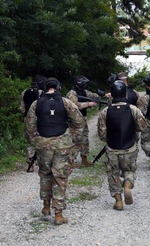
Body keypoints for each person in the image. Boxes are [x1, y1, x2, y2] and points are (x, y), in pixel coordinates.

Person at [24, 77, 85, 225]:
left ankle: (46, 206)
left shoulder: (36, 104)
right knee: (60, 177)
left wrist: (36, 142)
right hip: (62, 144)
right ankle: (58, 214)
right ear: (58, 87)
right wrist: (74, 138)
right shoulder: (65, 102)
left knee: (45, 173)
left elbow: (29, 126)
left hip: (43, 144)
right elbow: (79, 121)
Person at [97, 80, 148, 210]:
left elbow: (102, 133)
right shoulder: (133, 109)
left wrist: (108, 139)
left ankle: (118, 201)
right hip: (129, 147)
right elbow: (143, 127)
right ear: (125, 93)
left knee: (113, 174)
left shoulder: (105, 111)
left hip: (112, 148)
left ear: (112, 94)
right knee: (129, 170)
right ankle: (127, 185)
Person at [67, 75, 99, 167]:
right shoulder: (72, 93)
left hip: (83, 118)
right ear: (79, 83)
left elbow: (92, 95)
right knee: (76, 140)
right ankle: (71, 161)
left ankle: (84, 160)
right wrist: (88, 104)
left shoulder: (84, 92)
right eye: (84, 83)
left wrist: (102, 95)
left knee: (85, 139)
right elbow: (73, 105)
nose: (85, 85)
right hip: (75, 120)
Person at [19, 74, 45, 169]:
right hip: (39, 119)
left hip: (28, 119)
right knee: (41, 140)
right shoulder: (42, 93)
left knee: (30, 141)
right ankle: (41, 162)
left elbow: (21, 108)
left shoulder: (24, 92)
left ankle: (30, 163)